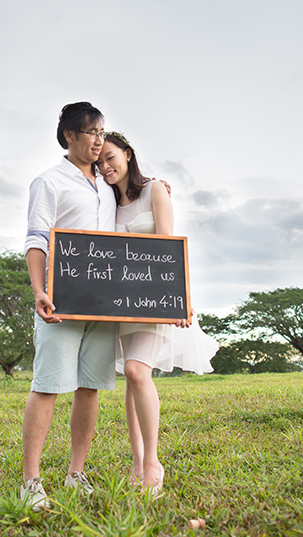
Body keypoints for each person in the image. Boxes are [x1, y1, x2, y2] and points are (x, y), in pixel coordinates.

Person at [96, 131, 218, 492]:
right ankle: (136, 465)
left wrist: (180, 298)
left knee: (136, 370)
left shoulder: (155, 191)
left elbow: (170, 246)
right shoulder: (105, 201)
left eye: (111, 157)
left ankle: (153, 462)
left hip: (154, 298)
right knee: (133, 380)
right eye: (99, 161)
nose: (105, 167)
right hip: (122, 303)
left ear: (128, 155)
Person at [20, 102, 117, 510]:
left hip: (105, 303)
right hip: (62, 299)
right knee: (47, 386)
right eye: (90, 132)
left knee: (89, 386)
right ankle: (30, 481)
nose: (98, 140)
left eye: (101, 132)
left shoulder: (109, 184)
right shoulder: (49, 181)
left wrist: (158, 186)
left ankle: (76, 473)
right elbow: (37, 238)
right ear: (69, 136)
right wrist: (39, 289)